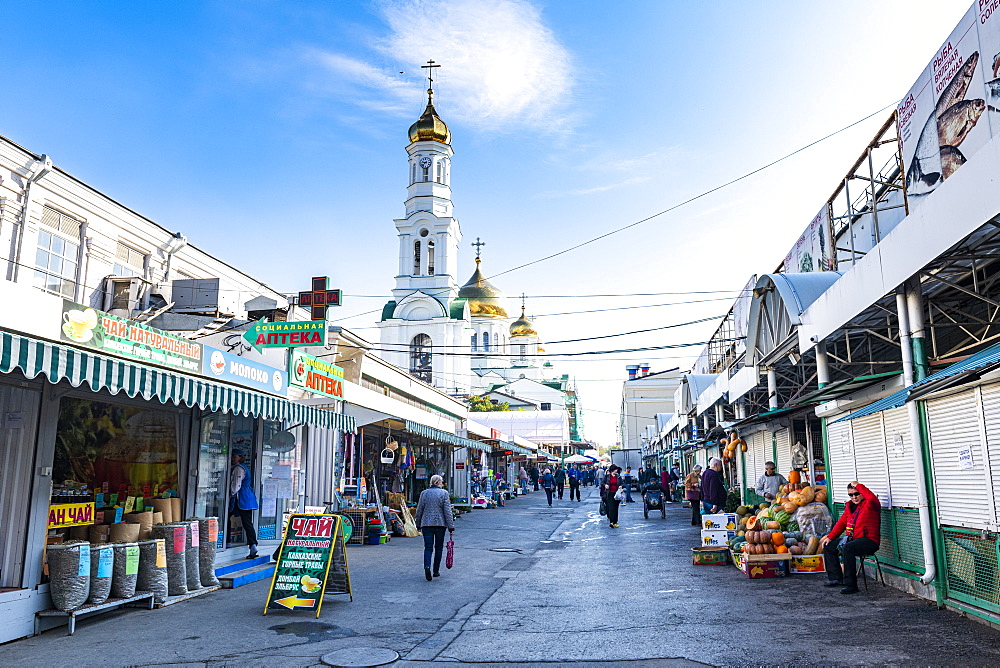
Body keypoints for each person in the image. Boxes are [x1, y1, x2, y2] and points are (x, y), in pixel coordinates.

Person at [821, 481, 881, 594]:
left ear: (862, 493)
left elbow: (872, 498)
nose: (854, 497)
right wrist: (830, 537)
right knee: (829, 546)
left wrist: (859, 485)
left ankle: (851, 585)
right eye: (851, 495)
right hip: (853, 540)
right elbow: (841, 523)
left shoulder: (871, 504)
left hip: (869, 541)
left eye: (856, 494)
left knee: (847, 548)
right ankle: (836, 578)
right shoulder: (849, 506)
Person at [414, 474, 455, 581]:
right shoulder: (444, 493)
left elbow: (419, 510)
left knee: (428, 547)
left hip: (426, 524)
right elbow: (447, 511)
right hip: (440, 525)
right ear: (438, 482)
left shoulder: (424, 493)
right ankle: (435, 571)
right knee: (438, 547)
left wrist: (418, 524)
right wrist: (451, 527)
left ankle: (427, 566)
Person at [228, 449, 259, 559]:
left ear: (240, 458)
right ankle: (253, 545)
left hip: (240, 498)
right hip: (247, 498)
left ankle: (227, 541)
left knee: (227, 517)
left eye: (235, 457)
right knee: (247, 522)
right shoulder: (243, 468)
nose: (232, 459)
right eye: (232, 457)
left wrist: (230, 494)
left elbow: (236, 485)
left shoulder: (238, 469)